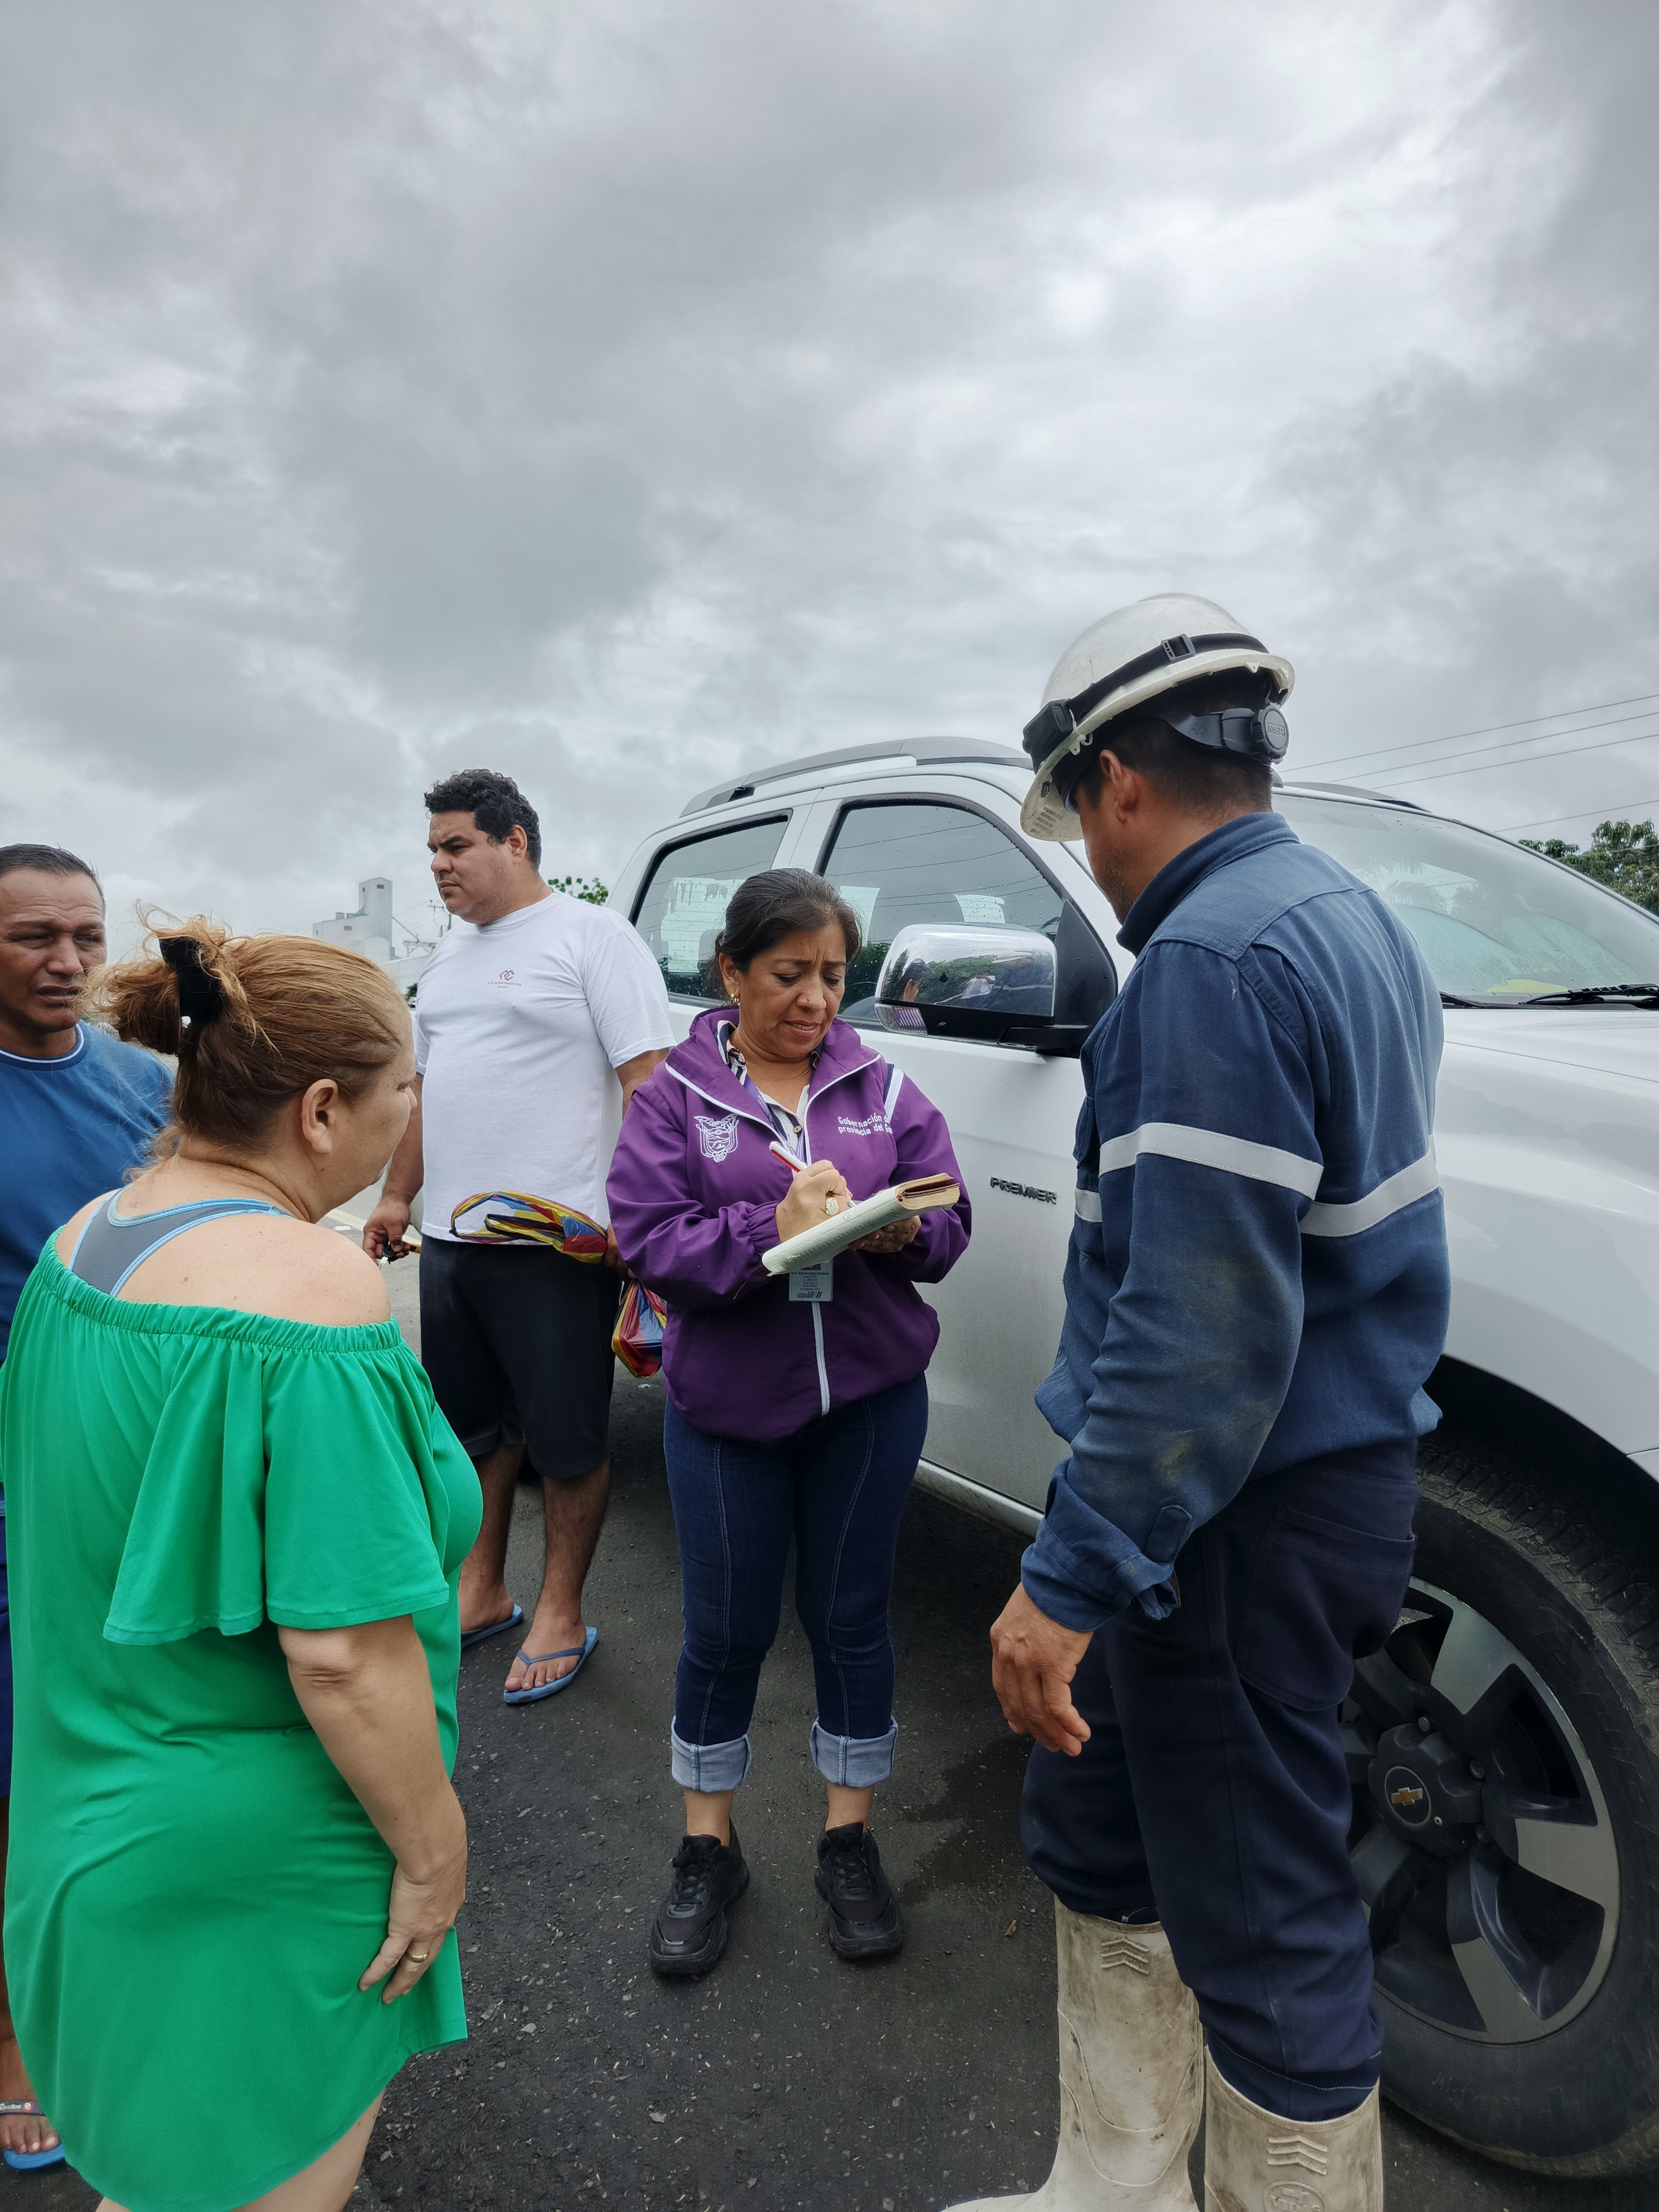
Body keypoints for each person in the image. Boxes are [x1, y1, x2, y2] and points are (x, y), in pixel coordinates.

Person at [955, 596, 1449, 2212]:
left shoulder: (1208, 964)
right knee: (1097, 1823)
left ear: (1117, 780)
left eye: (1081, 817)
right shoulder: (1351, 917)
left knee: (1263, 1925)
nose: (1094, 863)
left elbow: (1199, 1338)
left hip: (1233, 1519)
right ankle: (1114, 2185)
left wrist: (1067, 1581)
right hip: (1261, 1498)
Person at [0, 920, 481, 2212]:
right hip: (257, 1852)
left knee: (168, 2180)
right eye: (404, 1087)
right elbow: (343, 1651)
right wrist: (434, 1850)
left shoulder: (84, 1242)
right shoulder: (312, 1295)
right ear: (321, 1110)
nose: (414, 1113)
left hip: (90, 1814)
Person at [607, 868, 971, 1976]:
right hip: (728, 1413)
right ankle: (706, 1849)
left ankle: (847, 1837)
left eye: (833, 974)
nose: (816, 998)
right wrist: (775, 1227)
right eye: (788, 973)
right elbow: (650, 1243)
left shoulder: (881, 1087)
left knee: (852, 1619)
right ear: (731, 971)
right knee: (724, 1631)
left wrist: (900, 1234)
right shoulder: (674, 1098)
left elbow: (947, 1216)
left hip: (869, 1404)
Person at [365, 769, 673, 1702]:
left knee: (567, 1439)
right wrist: (396, 1197)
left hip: (559, 1242)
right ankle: (484, 1588)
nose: (438, 864)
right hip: (455, 1243)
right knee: (473, 1432)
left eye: (456, 845)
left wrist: (639, 1220)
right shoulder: (449, 956)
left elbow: (650, 1084)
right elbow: (426, 1090)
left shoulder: (593, 938)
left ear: (515, 842)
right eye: (432, 849)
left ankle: (561, 1612)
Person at [0, 843, 172, 2176]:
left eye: (86, 936)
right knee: (19, 1758)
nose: (66, 962)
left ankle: (126, 1981)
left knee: (141, 1734)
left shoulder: (145, 1084)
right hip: (15, 1473)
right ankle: (16, 2035)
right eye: (32, 937)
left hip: (136, 1467)